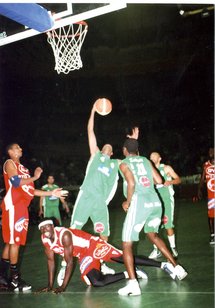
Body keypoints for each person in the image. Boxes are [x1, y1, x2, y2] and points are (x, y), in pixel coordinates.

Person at [118, 138, 187, 296]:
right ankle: (177, 267)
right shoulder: (145, 160)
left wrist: (127, 202)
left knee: (126, 243)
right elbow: (159, 180)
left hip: (139, 202)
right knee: (153, 235)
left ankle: (133, 284)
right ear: (138, 150)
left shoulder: (123, 163)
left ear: (124, 150)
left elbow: (131, 183)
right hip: (156, 202)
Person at [37, 218, 178, 294]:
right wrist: (49, 285)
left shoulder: (64, 235)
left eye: (47, 227)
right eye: (42, 229)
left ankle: (163, 265)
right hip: (84, 255)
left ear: (52, 226)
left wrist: (62, 286)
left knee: (123, 258)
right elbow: (50, 261)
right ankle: (131, 274)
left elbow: (69, 263)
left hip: (93, 245)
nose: (45, 230)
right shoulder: (45, 239)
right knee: (96, 282)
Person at [0, 143, 67, 292]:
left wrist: (52, 193)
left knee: (11, 242)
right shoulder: (10, 163)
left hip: (21, 208)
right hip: (13, 206)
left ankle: (2, 276)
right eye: (17, 147)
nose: (21, 149)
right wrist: (35, 177)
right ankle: (15, 280)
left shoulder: (23, 168)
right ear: (10, 151)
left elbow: (32, 191)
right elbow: (15, 182)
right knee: (15, 242)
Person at [148, 152, 181, 259]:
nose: (152, 158)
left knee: (168, 225)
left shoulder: (166, 168)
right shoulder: (148, 170)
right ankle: (156, 249)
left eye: (154, 156)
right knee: (153, 226)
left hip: (166, 200)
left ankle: (173, 248)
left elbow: (178, 179)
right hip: (154, 201)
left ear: (160, 158)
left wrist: (170, 182)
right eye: (150, 157)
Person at [198, 147, 215, 244]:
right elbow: (202, 178)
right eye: (210, 151)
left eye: (213, 151)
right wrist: (199, 189)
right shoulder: (206, 165)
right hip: (211, 196)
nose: (211, 152)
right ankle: (212, 235)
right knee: (211, 216)